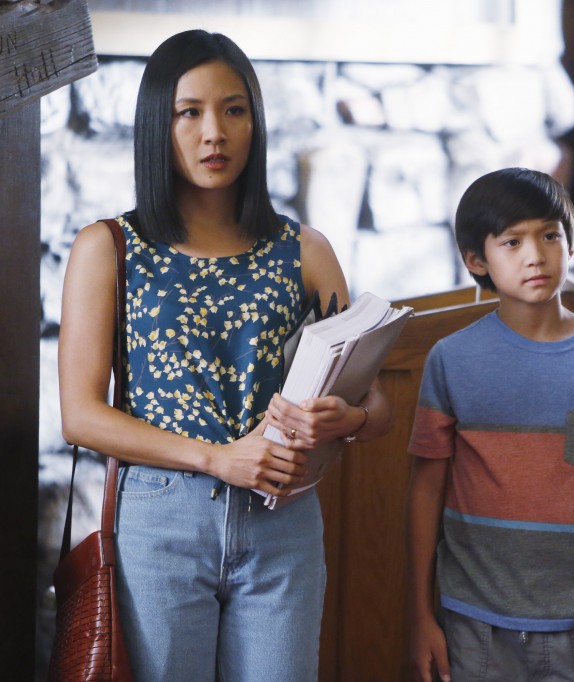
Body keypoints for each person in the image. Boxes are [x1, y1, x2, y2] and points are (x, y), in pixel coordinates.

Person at [58, 30, 392, 681]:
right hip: (159, 517)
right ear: (161, 122)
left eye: (234, 109)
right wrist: (218, 458)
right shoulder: (108, 247)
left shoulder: (306, 251)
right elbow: (80, 415)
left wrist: (345, 420)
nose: (216, 131)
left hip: (284, 521)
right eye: (191, 112)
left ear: (255, 121)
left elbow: (373, 401)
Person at [406, 168, 574, 682]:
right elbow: (425, 490)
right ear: (476, 260)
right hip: (471, 624)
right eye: (513, 242)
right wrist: (421, 617)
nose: (536, 255)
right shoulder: (452, 360)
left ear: (570, 243)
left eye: (550, 235)